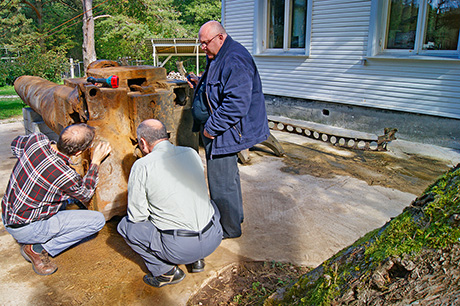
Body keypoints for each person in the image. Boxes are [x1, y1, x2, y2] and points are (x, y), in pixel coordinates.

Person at [117, 119, 222, 288]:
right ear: (166, 136)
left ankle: (166, 272)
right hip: (214, 237)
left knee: (126, 226)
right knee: (209, 205)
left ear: (142, 142)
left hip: (179, 248)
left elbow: (138, 216)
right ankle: (197, 261)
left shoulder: (142, 166)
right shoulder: (190, 152)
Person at [189, 21, 270, 239]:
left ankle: (228, 229)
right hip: (218, 129)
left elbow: (236, 104)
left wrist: (211, 129)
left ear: (221, 38)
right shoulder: (219, 54)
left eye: (205, 43)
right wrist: (201, 84)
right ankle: (235, 217)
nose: (203, 48)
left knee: (221, 183)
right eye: (201, 44)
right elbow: (220, 85)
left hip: (224, 131)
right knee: (229, 179)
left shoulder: (234, 59)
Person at [1, 123, 112, 276]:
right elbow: (86, 194)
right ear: (79, 152)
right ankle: (37, 249)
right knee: (97, 221)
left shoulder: (37, 140)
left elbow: (15, 145)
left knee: (64, 197)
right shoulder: (65, 174)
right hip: (26, 228)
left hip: (8, 214)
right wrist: (95, 162)